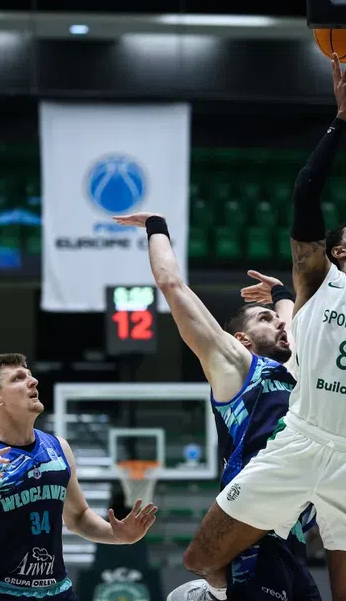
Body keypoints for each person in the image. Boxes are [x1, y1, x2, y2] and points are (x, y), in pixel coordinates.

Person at [171, 56, 346, 601]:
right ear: (336, 251)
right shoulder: (316, 282)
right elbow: (306, 191)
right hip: (300, 444)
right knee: (199, 558)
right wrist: (342, 118)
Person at [115, 209, 321, 601]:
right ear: (241, 339)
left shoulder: (297, 370)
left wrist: (280, 295)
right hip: (250, 535)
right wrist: (157, 227)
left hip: (293, 540)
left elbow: (291, 325)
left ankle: (213, 594)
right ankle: (211, 591)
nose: (280, 324)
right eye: (266, 320)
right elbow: (172, 285)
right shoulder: (237, 367)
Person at [0, 353, 158, 601]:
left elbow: (77, 517)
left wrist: (117, 535)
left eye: (31, 376)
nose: (32, 381)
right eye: (18, 378)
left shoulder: (59, 449)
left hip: (57, 592)